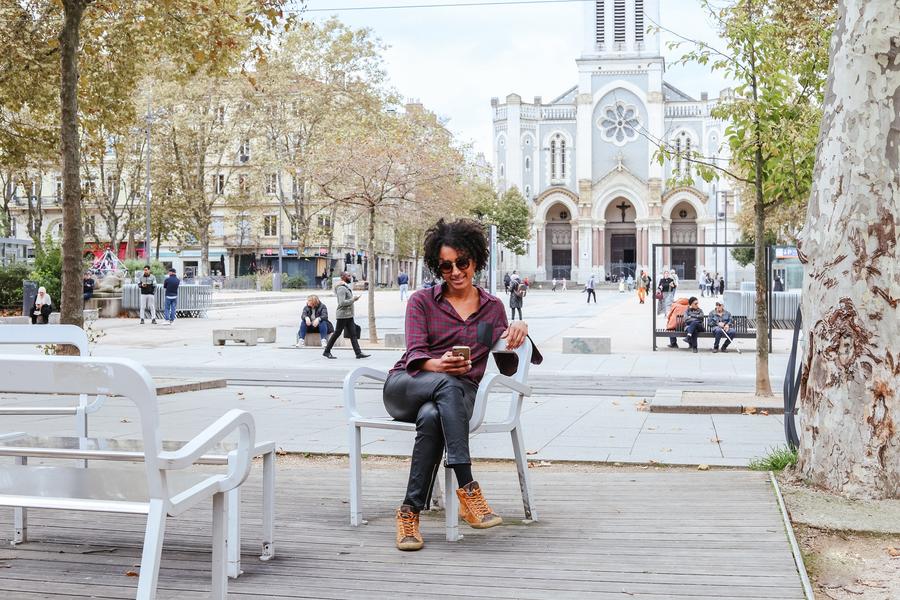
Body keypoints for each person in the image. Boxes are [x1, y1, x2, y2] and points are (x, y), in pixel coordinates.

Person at [384, 218, 539, 552]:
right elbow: (415, 353)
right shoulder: (422, 301)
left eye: (462, 263)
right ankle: (468, 486)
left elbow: (507, 365)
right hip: (408, 385)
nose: (455, 272)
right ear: (437, 267)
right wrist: (439, 365)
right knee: (446, 384)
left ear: (476, 261)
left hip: (458, 397)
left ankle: (409, 513)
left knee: (432, 415)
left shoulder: (491, 309)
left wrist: (518, 330)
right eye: (446, 266)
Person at [323, 272, 370, 359]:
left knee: (353, 334)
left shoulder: (345, 287)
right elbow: (342, 303)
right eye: (348, 276)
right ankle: (326, 351)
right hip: (343, 315)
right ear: (343, 277)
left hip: (349, 315)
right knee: (337, 333)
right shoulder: (341, 288)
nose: (350, 277)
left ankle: (358, 353)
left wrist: (353, 299)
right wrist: (353, 299)